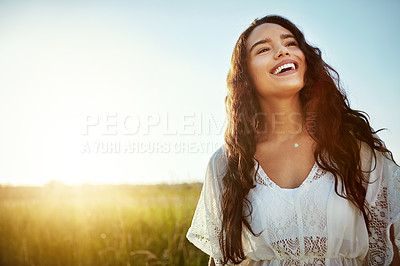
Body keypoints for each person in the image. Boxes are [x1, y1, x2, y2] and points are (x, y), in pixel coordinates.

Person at [186, 15, 400, 265]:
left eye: (290, 43)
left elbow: (389, 253)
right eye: (263, 49)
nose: (281, 51)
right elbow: (221, 259)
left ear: (305, 60)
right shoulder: (226, 164)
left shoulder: (355, 149)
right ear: (246, 76)